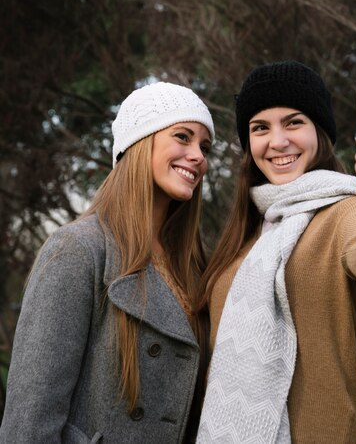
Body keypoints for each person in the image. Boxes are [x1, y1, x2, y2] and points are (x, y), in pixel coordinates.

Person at [197, 61, 356, 444]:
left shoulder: (348, 211)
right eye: (260, 128)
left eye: (293, 122)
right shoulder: (250, 229)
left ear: (319, 130)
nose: (277, 141)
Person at [0, 81, 215, 444]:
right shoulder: (78, 249)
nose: (198, 156)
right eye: (183, 137)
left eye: (204, 147)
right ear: (138, 141)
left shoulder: (192, 264)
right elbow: (29, 422)